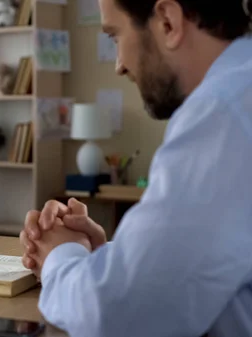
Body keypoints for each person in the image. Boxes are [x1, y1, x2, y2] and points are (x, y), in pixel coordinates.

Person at [20, 0, 252, 336]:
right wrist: (113, 259)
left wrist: (60, 256)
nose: (119, 66)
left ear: (168, 21)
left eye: (114, 35)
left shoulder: (223, 113)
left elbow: (119, 316)